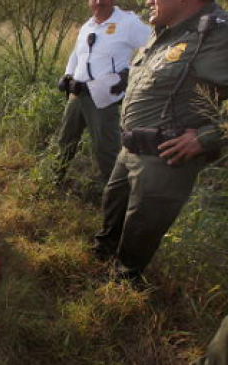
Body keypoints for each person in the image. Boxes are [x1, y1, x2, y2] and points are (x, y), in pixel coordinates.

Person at [93, 0, 228, 281]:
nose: (147, 1)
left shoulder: (218, 34)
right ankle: (98, 265)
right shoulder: (163, 31)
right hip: (130, 148)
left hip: (164, 159)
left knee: (140, 231)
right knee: (112, 212)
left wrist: (207, 137)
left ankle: (122, 291)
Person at [54, 0, 151, 184]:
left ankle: (117, 191)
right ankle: (54, 180)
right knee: (66, 140)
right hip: (77, 95)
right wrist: (68, 74)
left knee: (106, 148)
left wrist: (131, 72)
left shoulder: (128, 23)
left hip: (103, 98)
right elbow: (77, 54)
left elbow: (155, 46)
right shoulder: (87, 26)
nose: (99, 2)